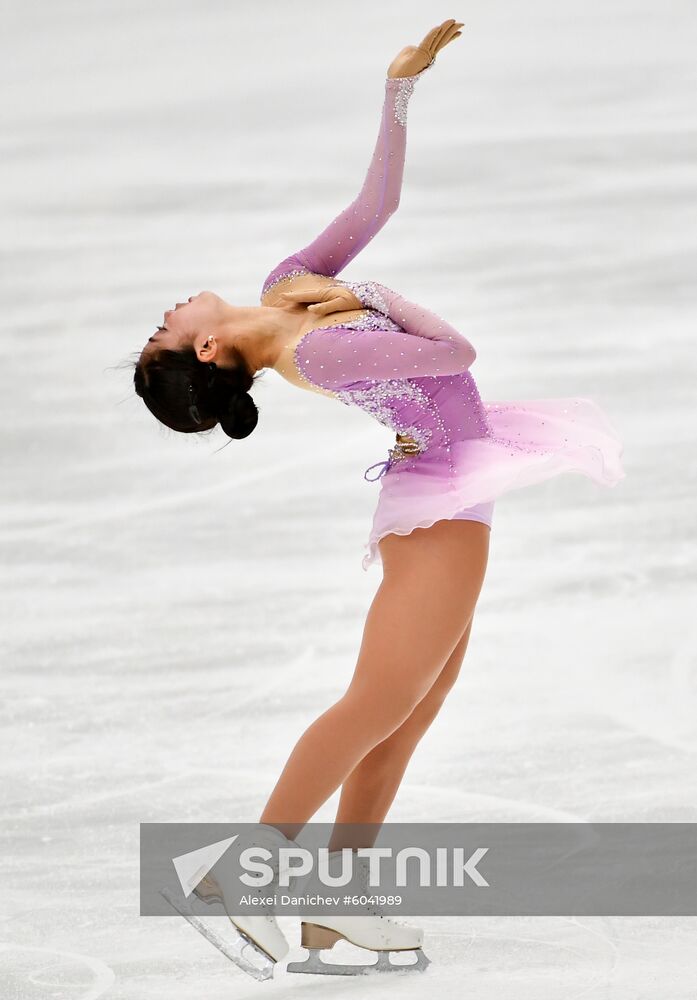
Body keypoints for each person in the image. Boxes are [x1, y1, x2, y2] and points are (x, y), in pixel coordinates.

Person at [133, 18, 624, 979]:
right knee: (379, 700)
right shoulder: (314, 344)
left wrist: (398, 88)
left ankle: (335, 908)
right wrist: (378, 295)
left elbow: (376, 200)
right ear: (202, 349)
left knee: (414, 707)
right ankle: (245, 873)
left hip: (446, 487)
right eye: (161, 328)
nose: (166, 308)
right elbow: (454, 354)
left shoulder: (285, 291)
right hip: (440, 502)